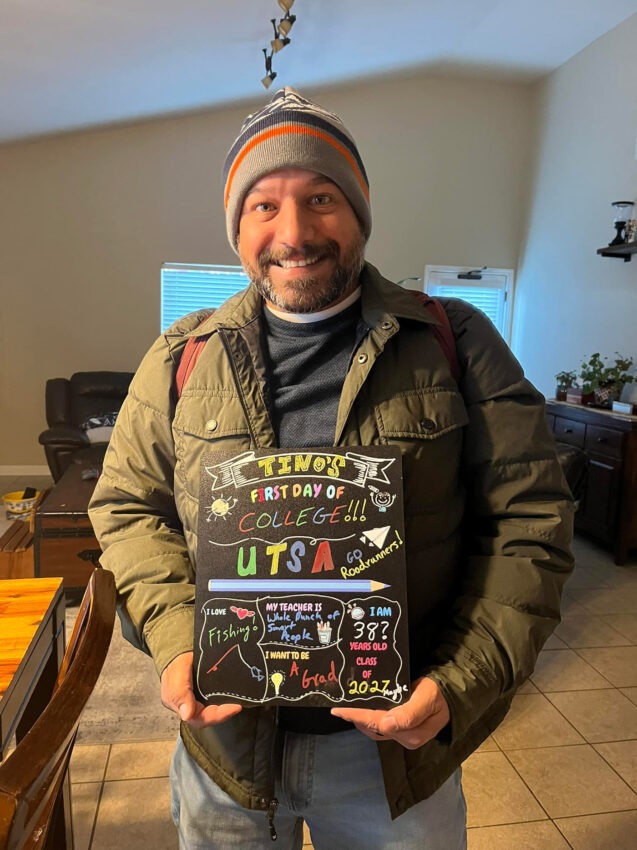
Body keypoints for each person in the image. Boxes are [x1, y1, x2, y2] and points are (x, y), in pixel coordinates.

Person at [89, 87, 574, 849]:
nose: (294, 232)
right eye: (263, 207)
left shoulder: (455, 339)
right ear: (237, 227)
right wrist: (181, 636)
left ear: (357, 212)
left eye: (320, 198)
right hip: (227, 755)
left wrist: (460, 684)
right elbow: (126, 507)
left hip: (393, 758)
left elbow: (530, 523)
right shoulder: (182, 356)